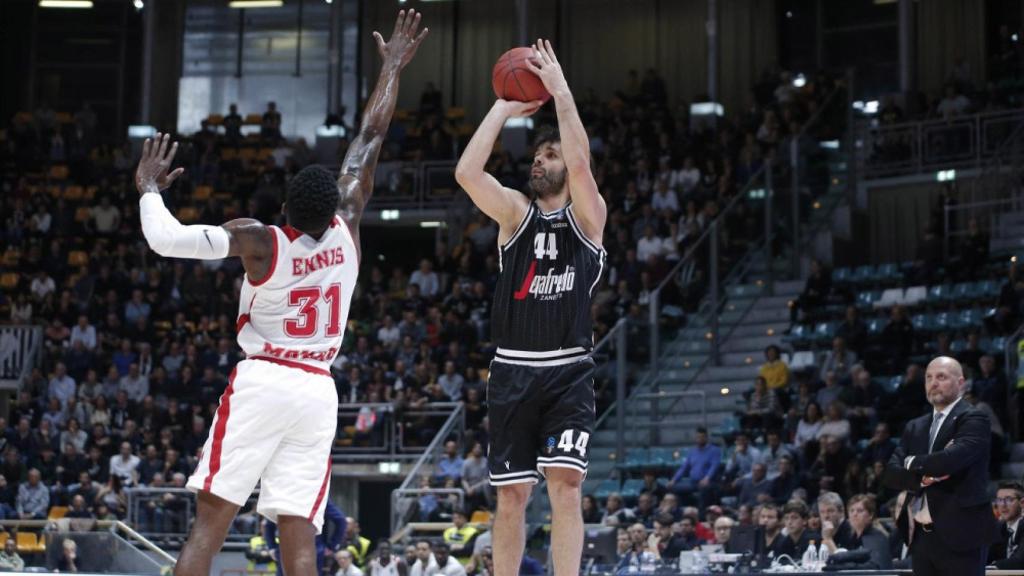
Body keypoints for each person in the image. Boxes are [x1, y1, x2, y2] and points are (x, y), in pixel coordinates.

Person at [137, 11, 428, 576]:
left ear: (288, 208)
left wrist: (149, 189)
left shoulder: (261, 242)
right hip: (318, 391)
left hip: (265, 378)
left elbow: (167, 239)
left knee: (212, 520)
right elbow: (370, 135)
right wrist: (392, 66)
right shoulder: (348, 226)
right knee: (299, 529)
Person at [455, 39, 606, 576]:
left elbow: (583, 164)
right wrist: (501, 107)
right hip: (512, 370)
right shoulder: (514, 214)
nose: (539, 160)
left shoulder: (587, 219)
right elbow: (468, 175)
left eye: (550, 154)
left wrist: (560, 90)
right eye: (537, 154)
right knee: (512, 496)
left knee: (566, 487)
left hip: (568, 369)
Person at [884, 356, 1000, 576]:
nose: (933, 383)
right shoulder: (915, 426)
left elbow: (950, 461)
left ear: (961, 383)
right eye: (928, 378)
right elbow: (891, 474)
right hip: (921, 536)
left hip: (962, 533)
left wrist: (911, 461)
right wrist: (921, 477)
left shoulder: (974, 417)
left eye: (941, 377)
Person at [988, 481, 1024, 569]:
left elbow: (1020, 561)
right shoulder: (998, 528)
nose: (1003, 505)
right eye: (999, 500)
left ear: (1022, 503)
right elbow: (986, 557)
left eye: (1009, 499)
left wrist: (993, 566)